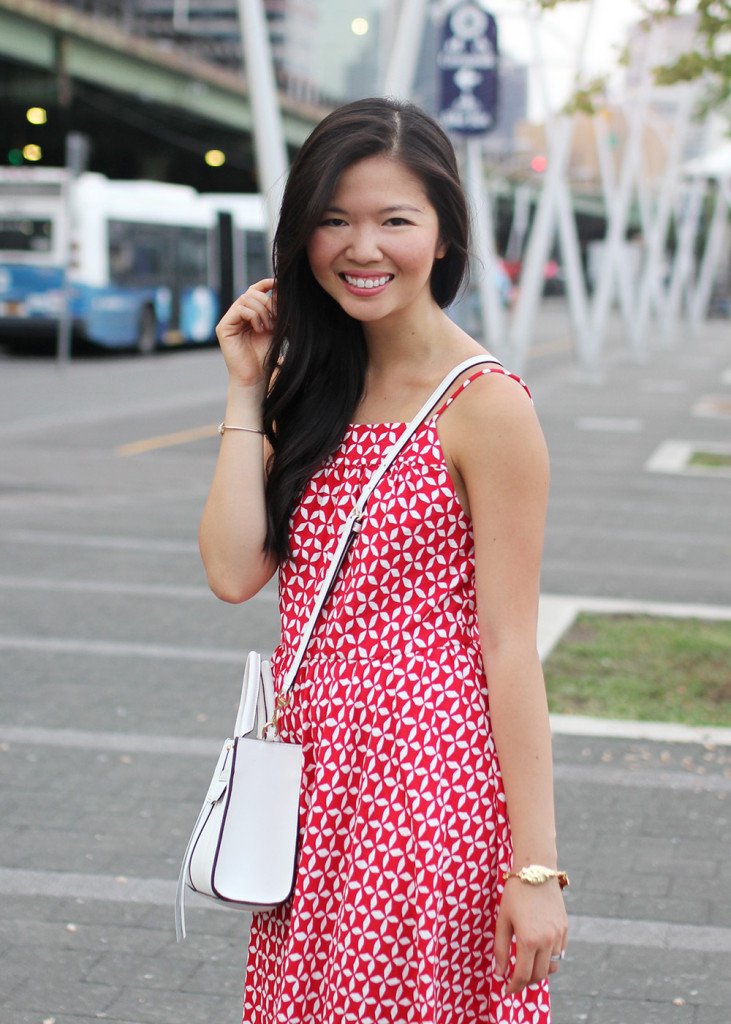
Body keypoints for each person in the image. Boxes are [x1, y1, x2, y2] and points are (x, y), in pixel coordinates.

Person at [199, 96, 568, 1024]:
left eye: (393, 221)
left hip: (425, 787)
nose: (361, 249)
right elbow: (234, 571)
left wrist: (534, 868)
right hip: (310, 785)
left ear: (443, 235)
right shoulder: (313, 383)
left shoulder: (484, 405)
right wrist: (247, 392)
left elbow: (511, 645)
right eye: (333, 219)